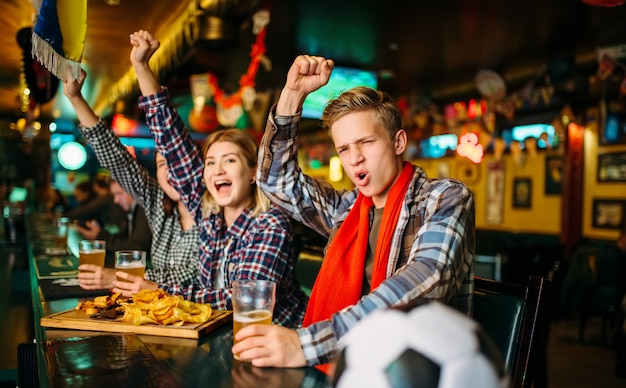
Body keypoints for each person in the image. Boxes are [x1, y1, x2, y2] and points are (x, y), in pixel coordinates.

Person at [232, 55, 476, 368]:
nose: (354, 159)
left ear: (398, 141)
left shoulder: (444, 197)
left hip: (416, 382)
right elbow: (274, 181)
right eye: (344, 149)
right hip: (345, 372)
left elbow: (428, 278)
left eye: (366, 142)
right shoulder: (346, 209)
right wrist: (292, 94)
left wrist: (305, 345)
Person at [127, 30, 307, 328]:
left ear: (252, 173)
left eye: (230, 160)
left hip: (281, 347)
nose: (217, 170)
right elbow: (171, 141)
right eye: (210, 162)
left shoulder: (269, 223)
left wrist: (161, 293)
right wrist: (142, 67)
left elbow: (242, 300)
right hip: (225, 337)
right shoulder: (210, 215)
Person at [62, 70, 199, 292]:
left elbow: (192, 277)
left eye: (176, 162)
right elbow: (119, 162)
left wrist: (118, 278)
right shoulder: (160, 206)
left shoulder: (213, 213)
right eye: (162, 164)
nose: (170, 170)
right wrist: (76, 99)